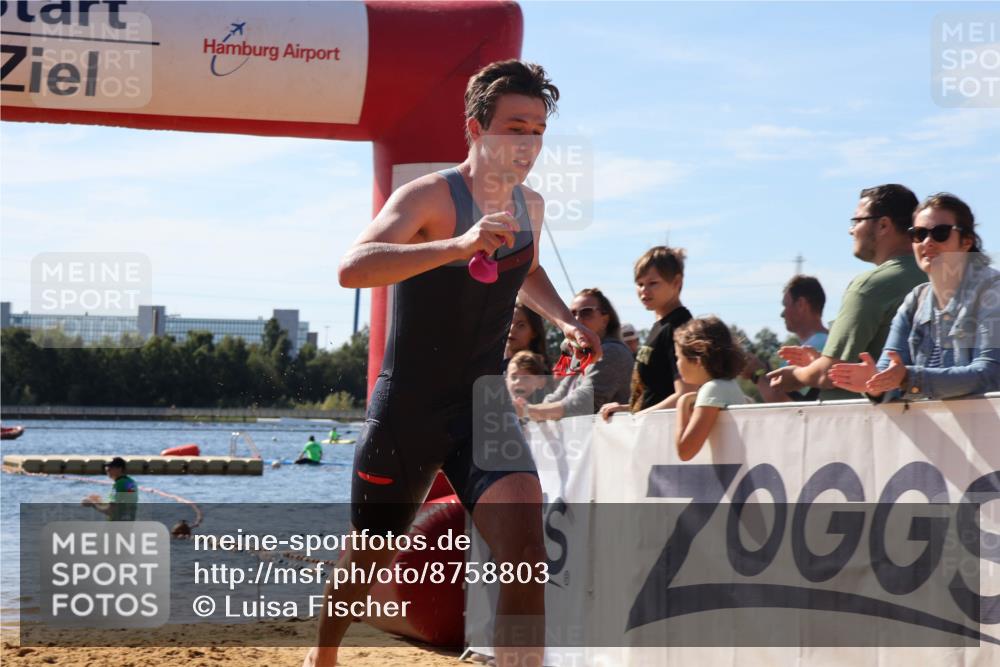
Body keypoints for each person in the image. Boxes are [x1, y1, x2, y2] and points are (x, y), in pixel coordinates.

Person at [307, 60, 601, 667]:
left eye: (538, 130)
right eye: (515, 127)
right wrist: (457, 246)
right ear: (476, 128)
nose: (529, 144)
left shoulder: (531, 208)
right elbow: (351, 268)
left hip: (481, 405)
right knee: (368, 558)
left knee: (525, 551)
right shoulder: (429, 196)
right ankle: (324, 656)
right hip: (407, 410)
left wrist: (566, 321)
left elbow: (528, 270)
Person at [830, 194, 1000, 400]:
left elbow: (991, 375)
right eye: (919, 234)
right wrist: (875, 384)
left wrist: (908, 379)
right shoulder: (915, 300)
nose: (927, 242)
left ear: (966, 242)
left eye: (941, 233)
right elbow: (890, 374)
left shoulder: (993, 291)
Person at [766, 184, 926, 400]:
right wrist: (817, 363)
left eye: (857, 221)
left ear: (883, 225)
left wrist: (797, 375)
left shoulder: (870, 286)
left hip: (868, 426)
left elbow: (831, 371)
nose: (851, 230)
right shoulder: (936, 277)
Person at [600, 246, 693, 421]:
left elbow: (686, 395)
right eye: (640, 284)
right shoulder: (661, 326)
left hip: (665, 434)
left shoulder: (680, 327)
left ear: (676, 282)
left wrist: (636, 419)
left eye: (653, 283)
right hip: (652, 430)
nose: (644, 290)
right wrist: (627, 409)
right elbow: (658, 393)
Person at [518, 288, 632, 420]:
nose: (577, 319)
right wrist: (529, 415)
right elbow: (560, 395)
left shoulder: (613, 352)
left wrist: (529, 411)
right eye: (572, 314)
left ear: (605, 320)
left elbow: (585, 403)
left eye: (586, 312)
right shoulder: (580, 354)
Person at [673, 317, 752, 461]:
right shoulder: (729, 384)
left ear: (697, 359)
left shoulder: (712, 390)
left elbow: (685, 451)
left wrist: (682, 404)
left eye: (678, 357)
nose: (677, 364)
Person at [755, 275, 829, 402]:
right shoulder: (827, 341)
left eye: (785, 305)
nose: (782, 314)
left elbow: (785, 402)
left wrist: (756, 373)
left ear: (801, 304)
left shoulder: (816, 346)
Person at [81, 457, 138, 521]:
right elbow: (122, 505)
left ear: (120, 468)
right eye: (106, 467)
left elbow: (110, 511)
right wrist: (99, 502)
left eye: (111, 467)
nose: (107, 469)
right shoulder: (131, 482)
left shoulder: (119, 484)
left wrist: (92, 504)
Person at [503, 300, 549, 371]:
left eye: (521, 325)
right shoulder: (488, 362)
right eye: (508, 322)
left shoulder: (540, 372)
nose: (511, 329)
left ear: (534, 332)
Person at [506, 351, 552, 420]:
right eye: (514, 377)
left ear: (541, 382)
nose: (518, 381)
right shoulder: (499, 405)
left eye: (525, 377)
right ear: (506, 380)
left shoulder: (548, 404)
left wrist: (528, 411)